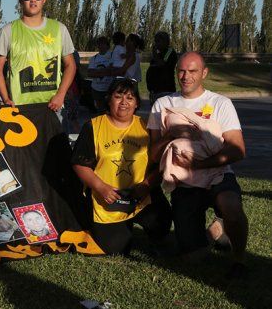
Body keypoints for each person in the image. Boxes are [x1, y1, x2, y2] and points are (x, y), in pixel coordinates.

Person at [148, 52, 247, 276]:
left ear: (204, 73)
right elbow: (154, 155)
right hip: (184, 182)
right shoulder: (163, 104)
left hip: (217, 173)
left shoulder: (220, 103)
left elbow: (237, 149)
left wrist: (199, 165)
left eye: (192, 71)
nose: (185, 76)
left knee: (231, 208)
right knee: (192, 259)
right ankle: (215, 231)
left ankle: (239, 260)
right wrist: (170, 134)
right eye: (181, 71)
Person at [72, 78, 172, 255]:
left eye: (130, 98)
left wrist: (146, 186)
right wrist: (101, 187)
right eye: (118, 96)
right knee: (115, 248)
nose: (124, 102)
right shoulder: (93, 126)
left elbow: (160, 164)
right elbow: (80, 164)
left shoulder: (146, 127)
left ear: (136, 104)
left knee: (161, 220)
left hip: (140, 195)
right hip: (106, 198)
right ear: (109, 99)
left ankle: (152, 230)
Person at [0, 0, 77, 113]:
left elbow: (70, 65)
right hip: (19, 107)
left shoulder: (59, 29)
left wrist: (60, 95)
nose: (33, 0)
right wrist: (6, 98)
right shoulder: (8, 31)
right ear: (20, 0)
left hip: (52, 106)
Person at [146, 31, 179, 104]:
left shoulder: (170, 52)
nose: (156, 44)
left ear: (166, 41)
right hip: (155, 90)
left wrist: (155, 54)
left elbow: (162, 64)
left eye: (158, 41)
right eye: (155, 41)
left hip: (165, 90)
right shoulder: (159, 53)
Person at [86, 36, 114, 112]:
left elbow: (113, 71)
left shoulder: (112, 56)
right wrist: (106, 71)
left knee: (111, 109)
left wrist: (97, 72)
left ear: (107, 45)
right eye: (99, 44)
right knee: (99, 110)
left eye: (103, 44)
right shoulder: (94, 58)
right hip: (96, 89)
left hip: (109, 88)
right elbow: (90, 73)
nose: (100, 46)